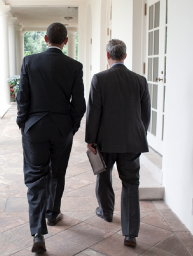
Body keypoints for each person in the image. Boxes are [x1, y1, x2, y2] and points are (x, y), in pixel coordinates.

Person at [16, 22, 86, 253]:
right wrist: (71, 127)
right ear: (65, 41)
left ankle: (38, 233)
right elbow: (79, 104)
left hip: (34, 127)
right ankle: (53, 213)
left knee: (36, 178)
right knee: (58, 171)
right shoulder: (74, 66)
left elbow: (22, 96)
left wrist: (22, 122)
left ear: (45, 39)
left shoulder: (30, 61)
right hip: (60, 128)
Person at [85, 39, 151, 246]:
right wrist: (139, 134)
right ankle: (130, 233)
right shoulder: (140, 80)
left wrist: (91, 139)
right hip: (132, 140)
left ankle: (106, 212)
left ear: (108, 56)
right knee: (131, 183)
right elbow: (145, 114)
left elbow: (93, 113)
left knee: (103, 176)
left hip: (105, 140)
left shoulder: (99, 79)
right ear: (125, 56)